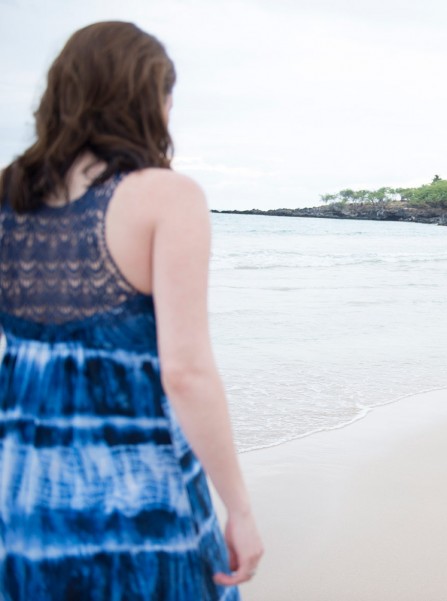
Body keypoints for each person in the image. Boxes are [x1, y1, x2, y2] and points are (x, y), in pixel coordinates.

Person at [0, 22, 263, 599]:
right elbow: (186, 373)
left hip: (21, 495)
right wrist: (238, 507)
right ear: (147, 100)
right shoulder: (166, 196)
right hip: (139, 495)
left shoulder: (8, 194)